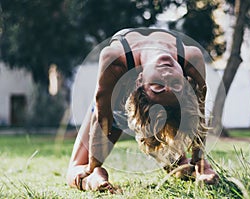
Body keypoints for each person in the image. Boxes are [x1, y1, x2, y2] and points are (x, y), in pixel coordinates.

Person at [66, 28, 218, 193]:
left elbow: (199, 117)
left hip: (146, 118)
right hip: (112, 110)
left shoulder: (116, 59)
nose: (167, 75)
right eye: (174, 83)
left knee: (178, 164)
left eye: (159, 85)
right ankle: (93, 179)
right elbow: (102, 118)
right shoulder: (191, 57)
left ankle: (187, 169)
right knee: (79, 167)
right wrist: (93, 167)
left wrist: (200, 162)